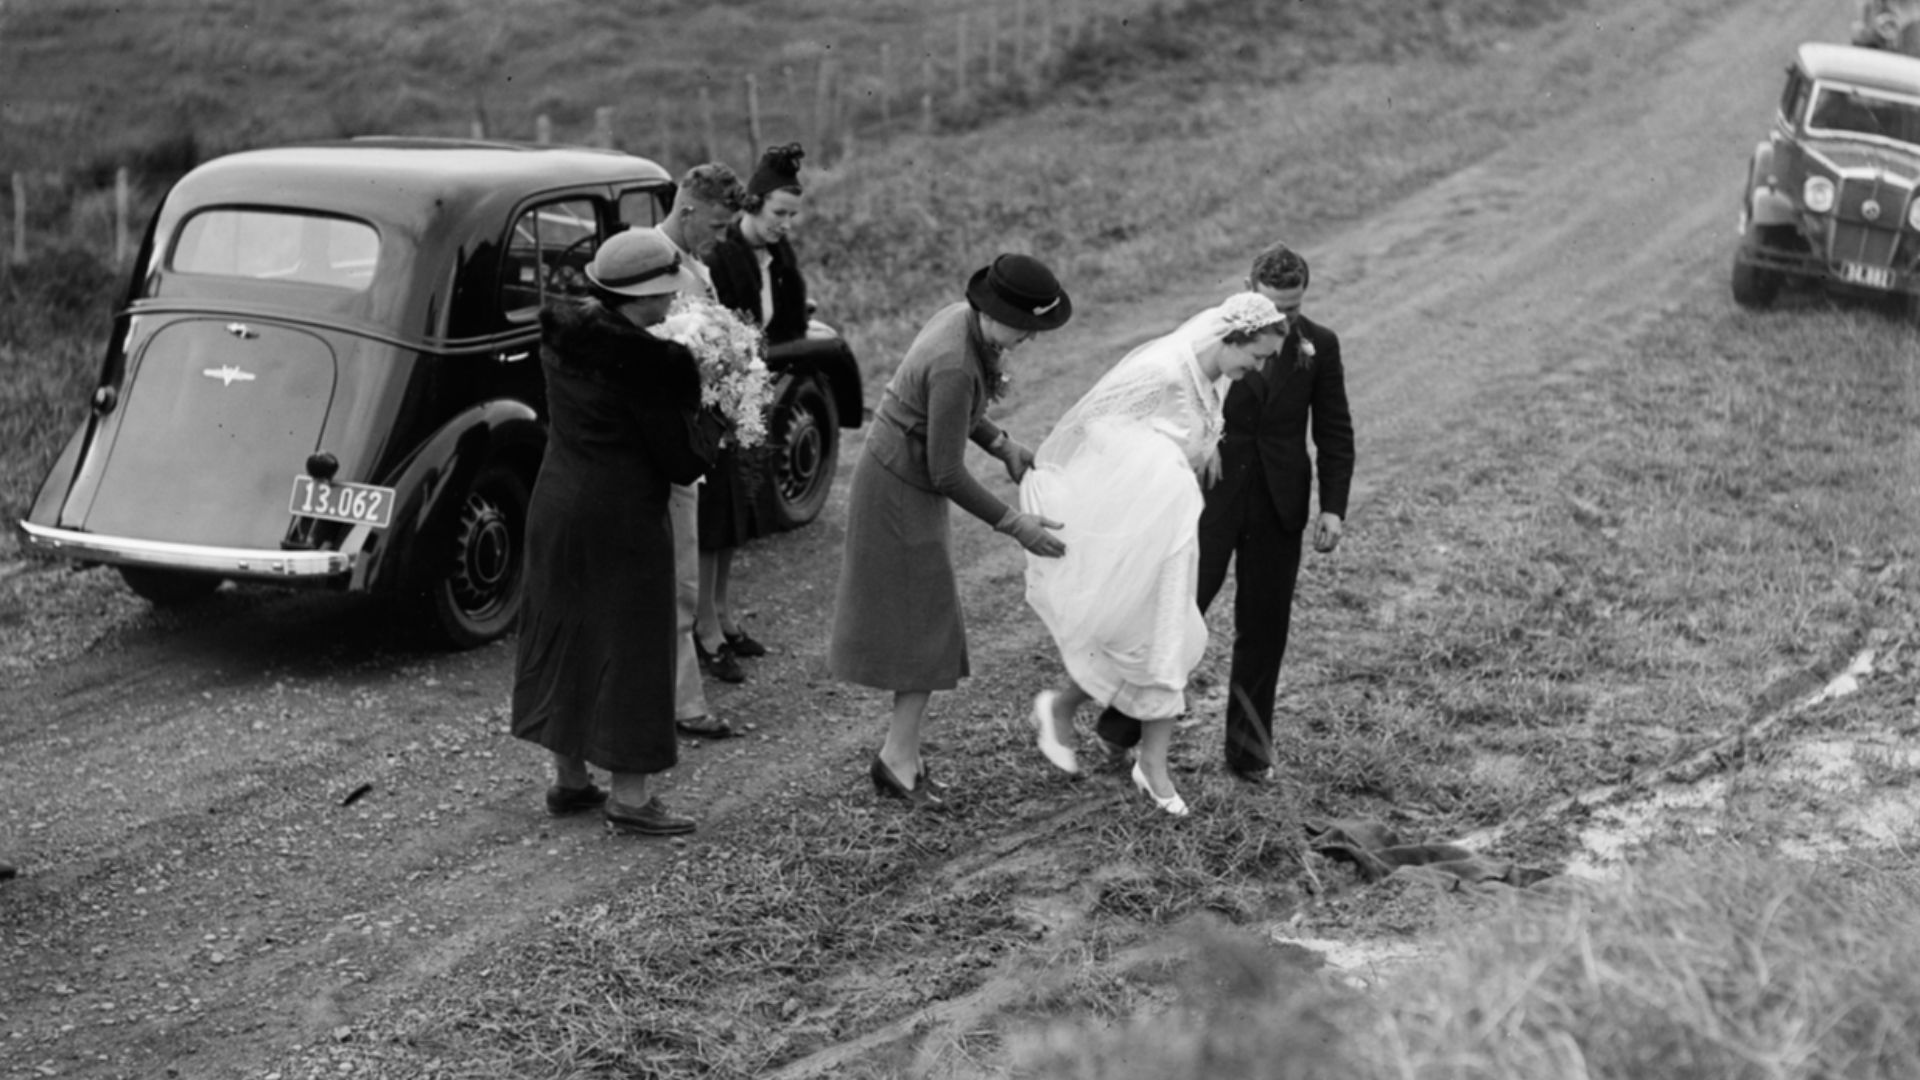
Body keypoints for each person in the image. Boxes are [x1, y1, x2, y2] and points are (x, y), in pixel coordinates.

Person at [1094, 243, 1354, 785]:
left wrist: (1333, 507)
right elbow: (1162, 406)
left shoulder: (1319, 346)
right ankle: (1120, 729)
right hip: (1209, 501)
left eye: (1294, 307)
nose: (1284, 318)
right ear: (1246, 290)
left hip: (1280, 503)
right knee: (1179, 614)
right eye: (1274, 306)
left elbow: (1333, 428)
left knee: (1265, 628)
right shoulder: (1206, 340)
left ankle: (1249, 750)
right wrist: (1198, 442)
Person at [1023, 293, 1288, 817]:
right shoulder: (1162, 370)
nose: (1257, 368)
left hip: (1171, 532)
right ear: (1229, 337)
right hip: (1142, 525)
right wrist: (1163, 462)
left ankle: (1062, 707)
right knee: (1157, 639)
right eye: (1255, 355)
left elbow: (1185, 423)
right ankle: (1153, 767)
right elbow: (1094, 424)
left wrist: (1204, 449)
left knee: (1157, 637)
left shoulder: (1209, 376)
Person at [828, 254, 1073, 808]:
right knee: (923, 626)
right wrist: (1016, 525)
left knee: (928, 625)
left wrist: (1001, 442)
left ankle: (903, 755)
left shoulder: (961, 322)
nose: (1029, 339)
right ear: (994, 312)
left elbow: (954, 415)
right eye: (1025, 327)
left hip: (907, 481)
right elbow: (946, 471)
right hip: (897, 489)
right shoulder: (956, 360)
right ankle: (895, 761)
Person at [510, 227, 726, 837]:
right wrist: (714, 413)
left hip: (557, 505)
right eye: (666, 293)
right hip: (622, 518)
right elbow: (683, 460)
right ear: (643, 297)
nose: (672, 304)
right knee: (632, 648)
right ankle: (631, 798)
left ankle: (570, 780)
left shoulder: (564, 332)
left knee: (566, 633)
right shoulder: (656, 364)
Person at [696, 142, 813, 683]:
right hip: (716, 396)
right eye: (777, 215)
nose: (783, 226)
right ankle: (705, 628)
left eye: (791, 217)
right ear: (752, 205)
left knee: (737, 513)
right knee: (713, 515)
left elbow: (787, 322)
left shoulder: (777, 258)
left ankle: (722, 614)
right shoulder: (722, 258)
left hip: (749, 394)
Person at [656, 163, 747, 740]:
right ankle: (683, 704)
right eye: (715, 223)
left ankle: (681, 696)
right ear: (687, 209)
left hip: (694, 435)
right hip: (670, 442)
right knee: (678, 577)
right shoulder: (659, 267)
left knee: (685, 571)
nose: (720, 236)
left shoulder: (692, 263)